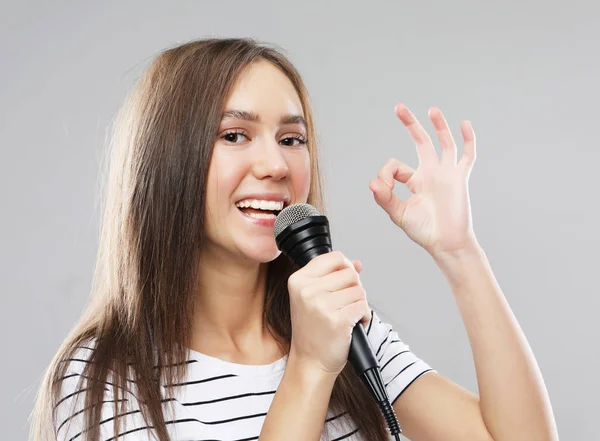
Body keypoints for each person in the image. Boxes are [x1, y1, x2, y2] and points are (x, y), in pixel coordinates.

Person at [29, 37, 558, 441]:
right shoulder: (101, 379)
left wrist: (459, 252)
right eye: (235, 135)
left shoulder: (346, 330)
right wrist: (308, 368)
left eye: (291, 139)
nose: (275, 164)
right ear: (168, 162)